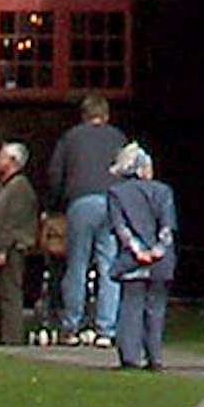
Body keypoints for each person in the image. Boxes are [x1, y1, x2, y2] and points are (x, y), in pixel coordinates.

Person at [49, 89, 128, 344]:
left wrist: (55, 203)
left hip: (81, 201)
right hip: (112, 201)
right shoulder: (117, 137)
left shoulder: (71, 138)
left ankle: (72, 324)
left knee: (78, 264)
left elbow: (55, 174)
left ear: (84, 115)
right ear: (105, 115)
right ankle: (106, 328)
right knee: (109, 265)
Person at [103, 140, 179, 369]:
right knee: (156, 308)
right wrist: (156, 251)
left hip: (132, 260)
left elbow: (120, 228)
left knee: (131, 306)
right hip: (161, 262)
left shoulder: (116, 193)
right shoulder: (163, 192)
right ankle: (154, 356)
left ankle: (130, 356)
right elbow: (167, 228)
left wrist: (138, 251)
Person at [0, 141, 41, 346]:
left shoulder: (20, 188)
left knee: (10, 293)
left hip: (12, 248)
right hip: (2, 247)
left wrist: (2, 249)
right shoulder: (4, 185)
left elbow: (12, 222)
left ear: (14, 162)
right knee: (0, 294)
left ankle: (12, 338)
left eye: (2, 157)